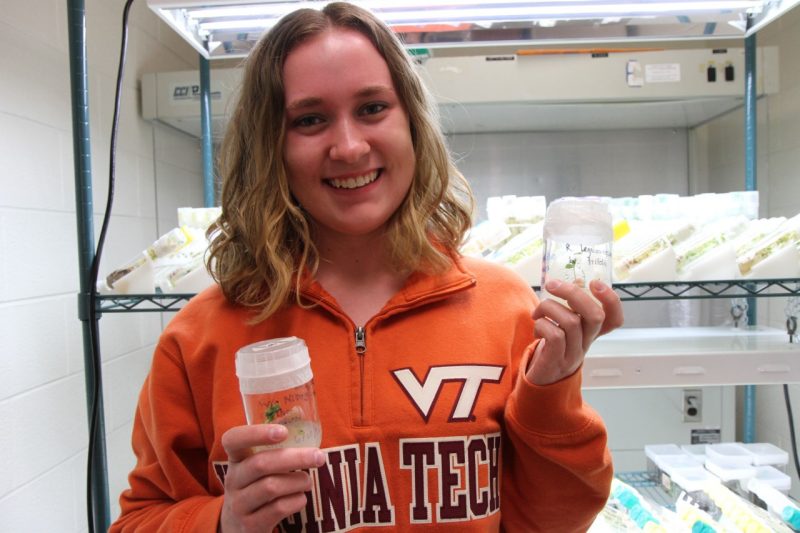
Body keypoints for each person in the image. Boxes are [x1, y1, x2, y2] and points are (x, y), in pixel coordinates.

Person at [110, 2, 624, 531]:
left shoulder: (505, 307)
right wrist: (223, 522)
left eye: (373, 108)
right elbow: (139, 518)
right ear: (271, 147)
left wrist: (550, 394)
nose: (350, 146)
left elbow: (551, 521)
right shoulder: (199, 340)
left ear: (412, 123)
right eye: (309, 119)